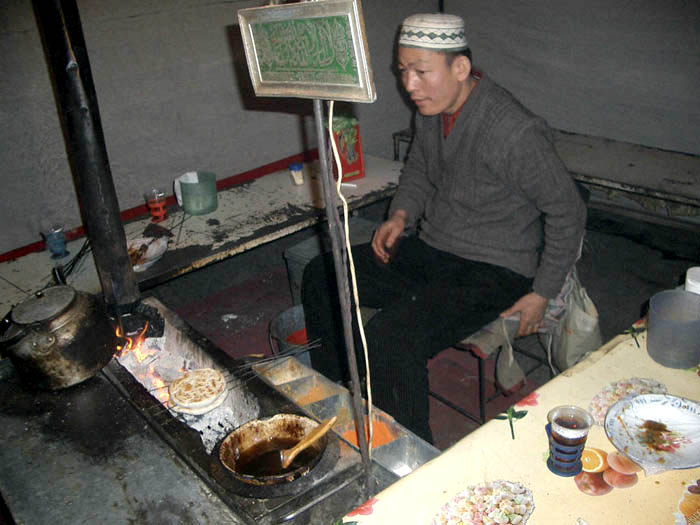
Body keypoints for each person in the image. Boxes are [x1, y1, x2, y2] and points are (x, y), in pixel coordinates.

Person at [301, 13, 586, 443]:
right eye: (403, 72)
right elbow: (418, 169)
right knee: (323, 274)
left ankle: (408, 457)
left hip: (495, 269)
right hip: (435, 248)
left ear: (460, 68)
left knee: (391, 339)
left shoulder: (514, 131)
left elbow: (568, 211)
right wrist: (400, 215)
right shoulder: (432, 110)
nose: (409, 86)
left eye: (421, 72)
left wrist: (542, 292)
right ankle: (340, 394)